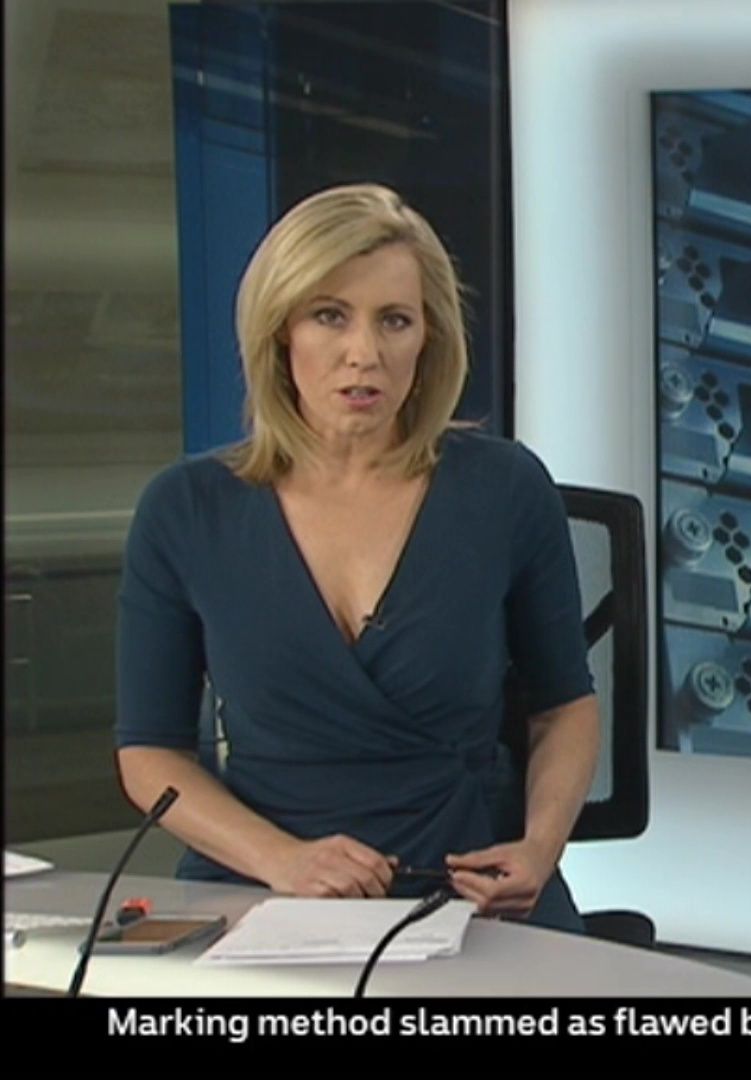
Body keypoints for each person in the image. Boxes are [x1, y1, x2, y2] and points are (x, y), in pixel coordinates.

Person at [114, 183, 599, 933]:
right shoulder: (185, 510)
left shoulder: (506, 488)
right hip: (264, 887)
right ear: (280, 331)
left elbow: (564, 706)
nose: (364, 354)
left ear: (429, 338)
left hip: (470, 890)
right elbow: (150, 755)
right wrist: (283, 860)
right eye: (330, 316)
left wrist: (540, 847)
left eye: (395, 320)